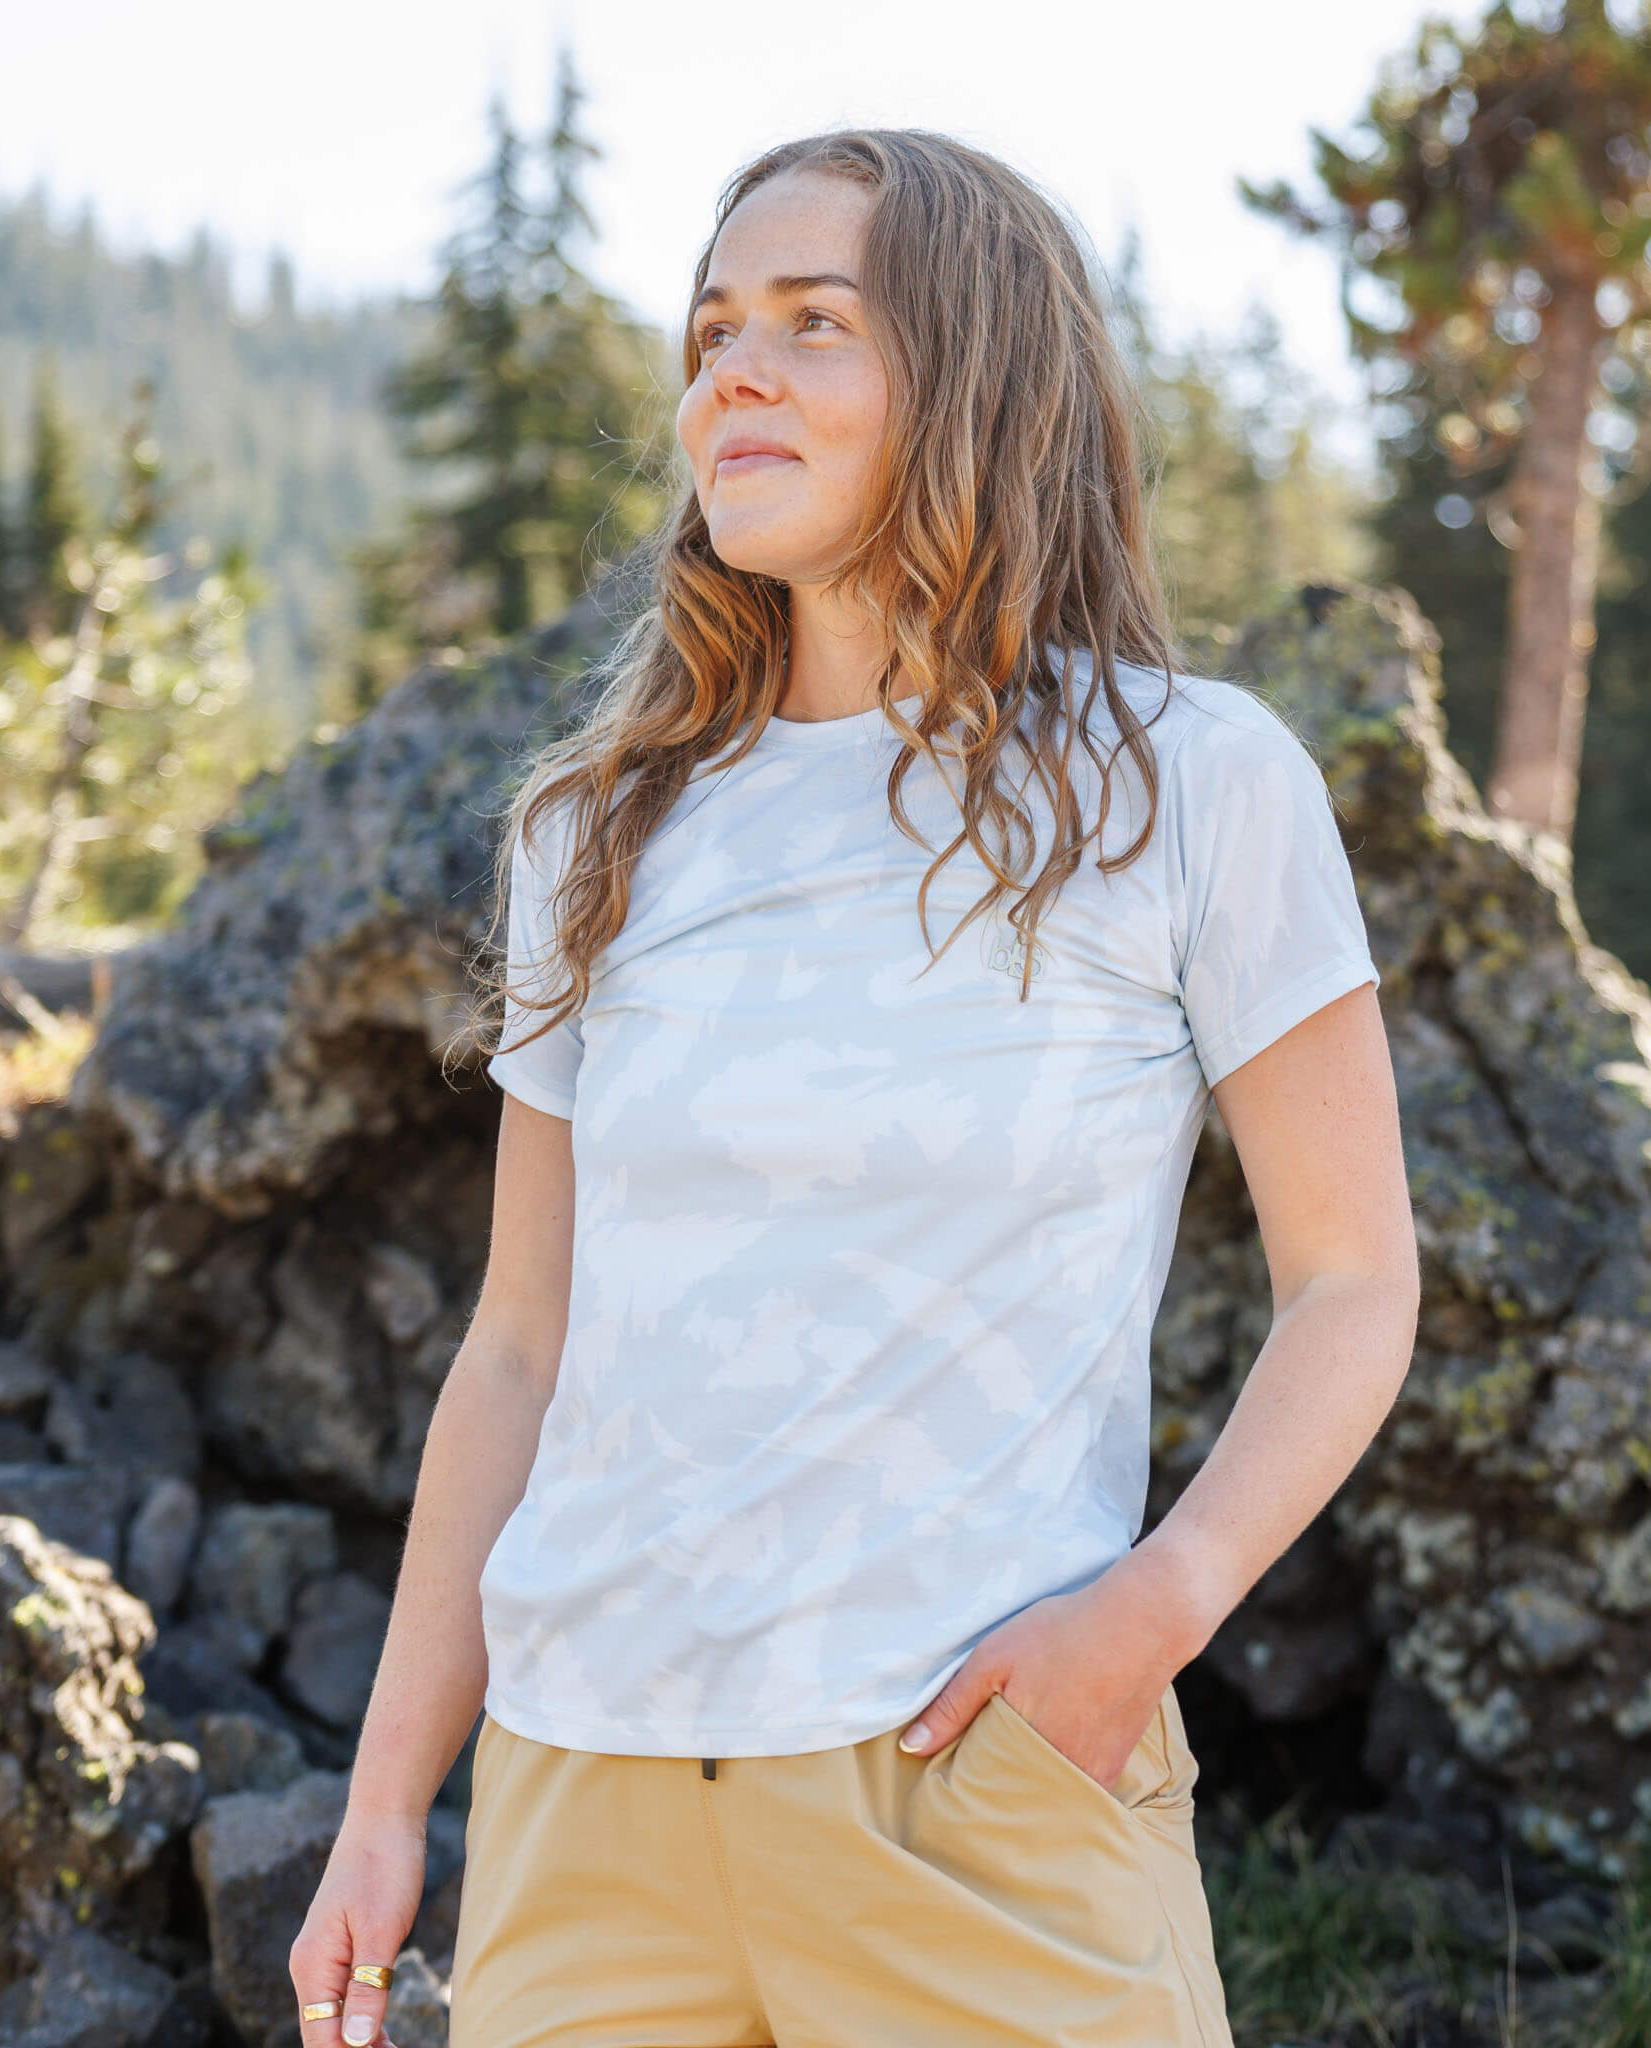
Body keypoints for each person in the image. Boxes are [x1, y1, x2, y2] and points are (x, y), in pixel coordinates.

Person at [289, 127, 1419, 2048]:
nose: (734, 372)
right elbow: (521, 1347)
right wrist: (388, 1803)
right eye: (714, 330)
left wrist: (1154, 1613)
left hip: (976, 1787)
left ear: (980, 375)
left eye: (814, 323)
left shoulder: (1191, 784)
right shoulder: (594, 830)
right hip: (585, 1815)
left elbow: (1356, 1282)